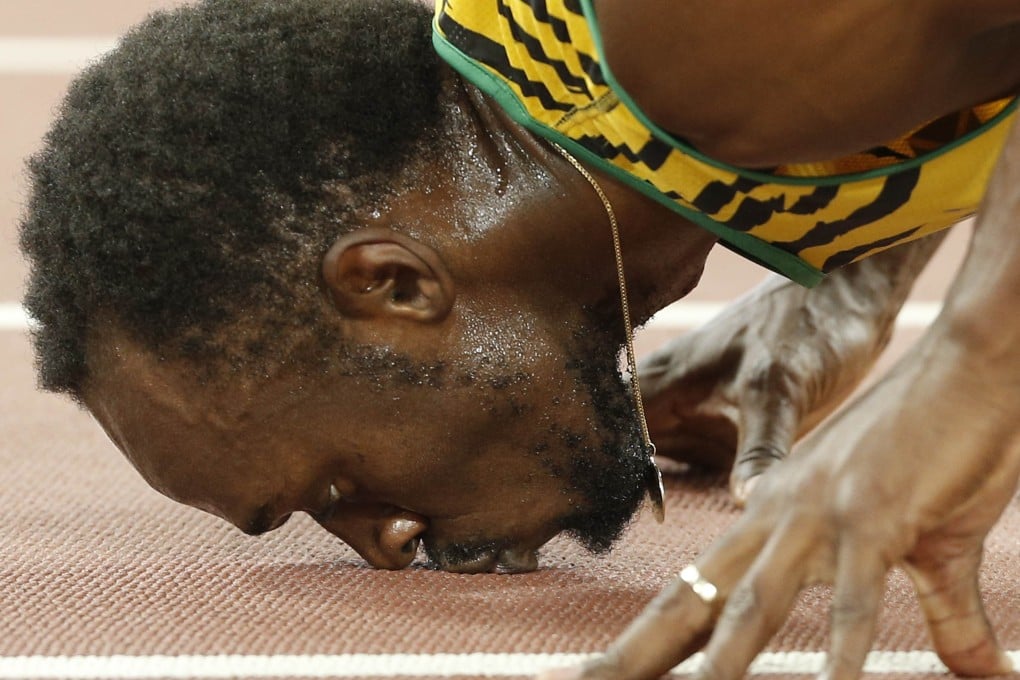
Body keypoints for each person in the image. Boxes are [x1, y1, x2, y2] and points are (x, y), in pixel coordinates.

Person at [17, 0, 1019, 677]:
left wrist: (976, 357)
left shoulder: (687, 41)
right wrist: (863, 268)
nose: (384, 537)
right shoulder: (677, 96)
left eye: (331, 487)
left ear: (394, 282)